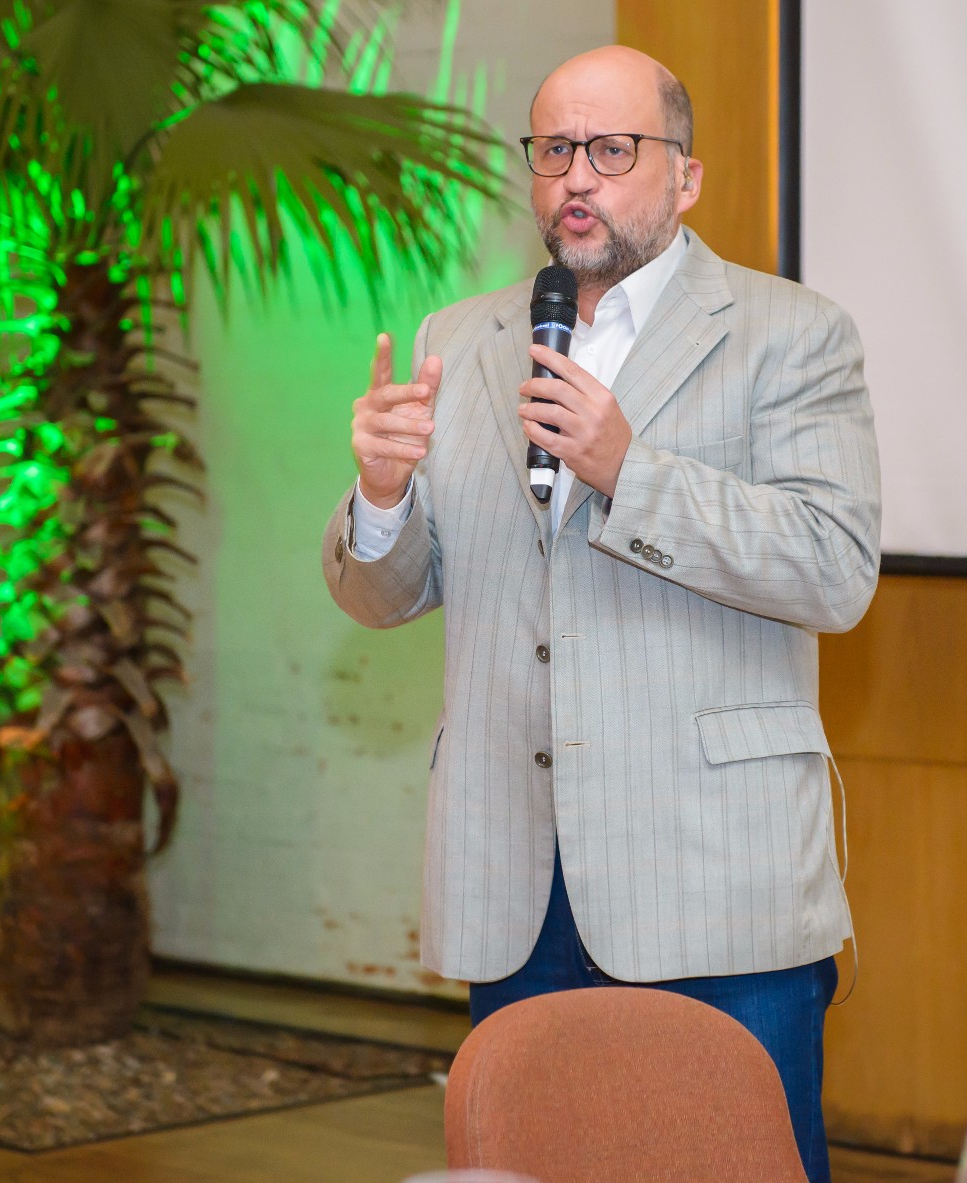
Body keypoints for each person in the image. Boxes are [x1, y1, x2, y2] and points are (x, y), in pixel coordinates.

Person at [322, 45, 879, 1183]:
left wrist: (632, 472)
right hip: (518, 882)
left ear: (685, 177)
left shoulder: (790, 333)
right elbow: (386, 595)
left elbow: (834, 568)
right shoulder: (457, 339)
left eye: (613, 149)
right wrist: (379, 498)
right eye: (554, 149)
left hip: (713, 880)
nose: (577, 175)